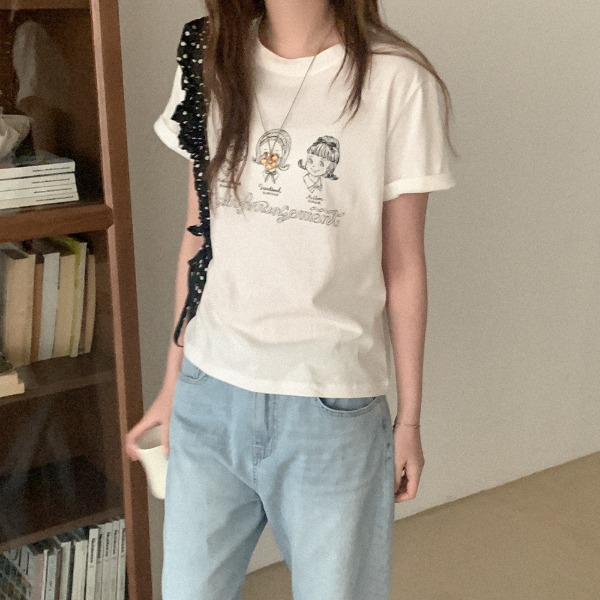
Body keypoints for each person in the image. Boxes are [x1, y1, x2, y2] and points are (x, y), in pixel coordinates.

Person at [126, 1, 457, 598]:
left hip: (330, 407)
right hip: (209, 392)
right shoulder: (208, 59)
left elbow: (404, 266)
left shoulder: (398, 81)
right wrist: (173, 382)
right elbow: (198, 238)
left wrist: (409, 419)